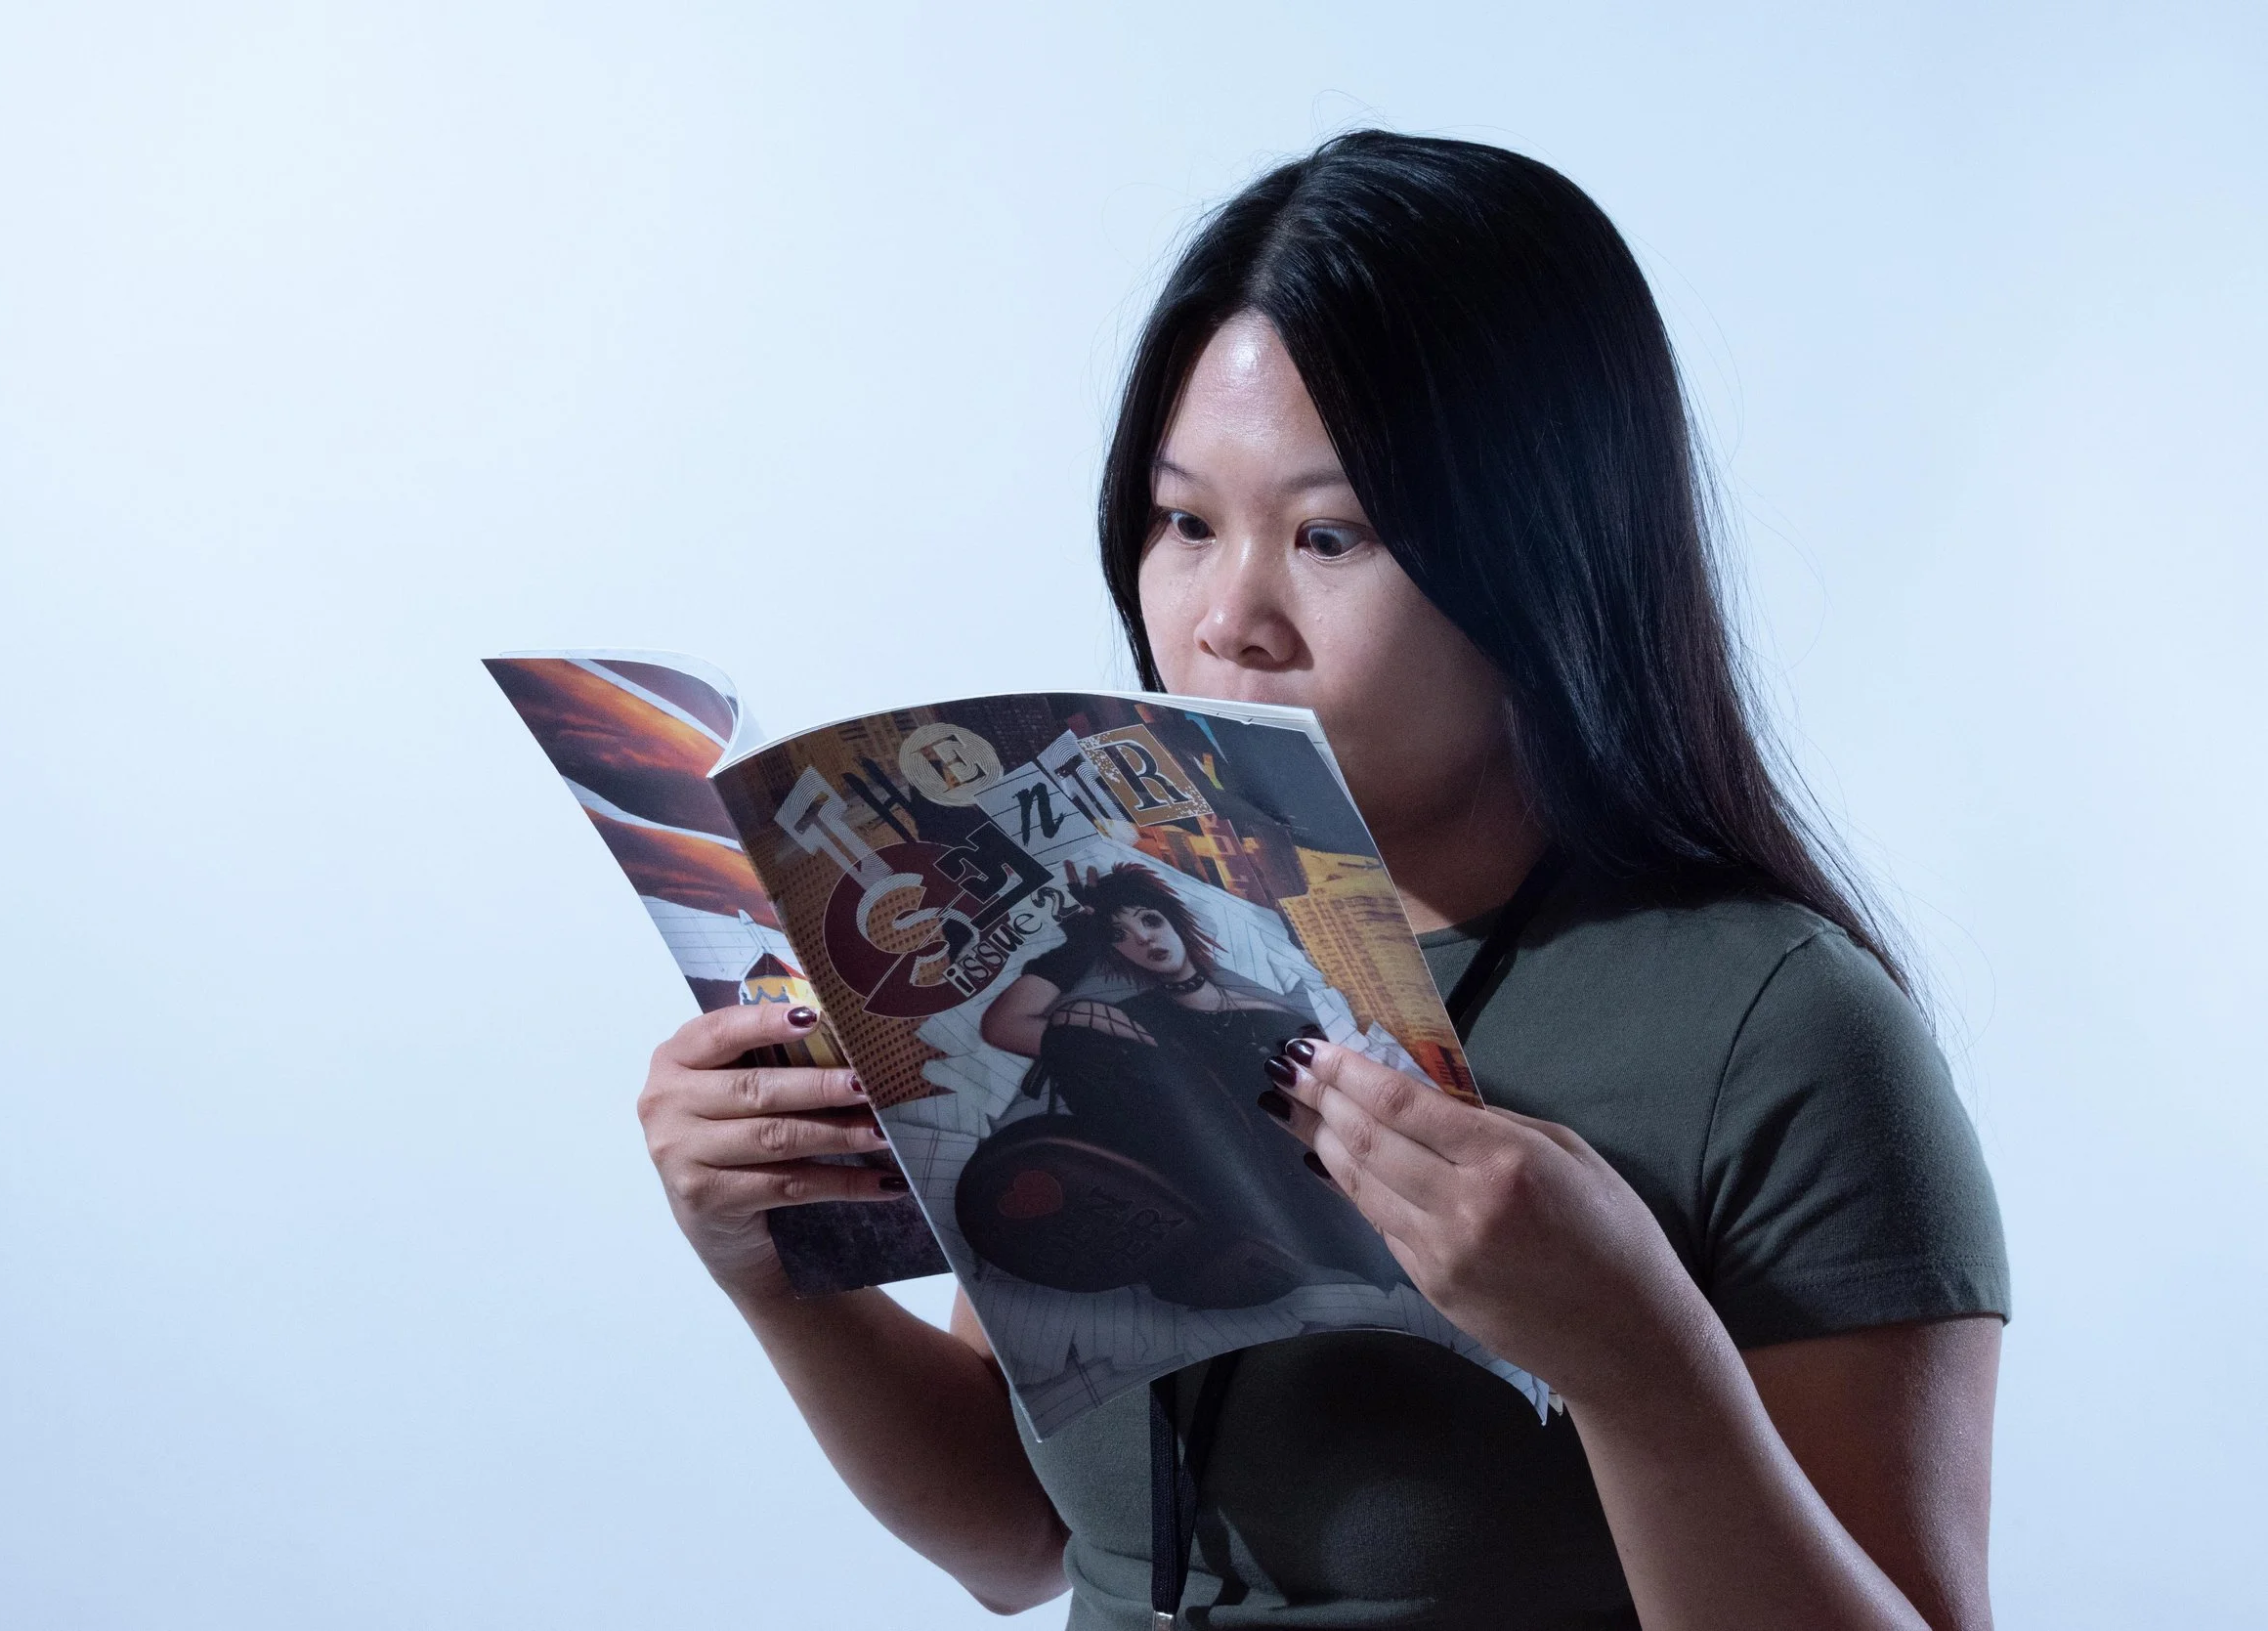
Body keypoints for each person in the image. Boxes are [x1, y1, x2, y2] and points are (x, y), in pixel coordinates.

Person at [638, 131, 2007, 1630]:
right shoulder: (1109, 919)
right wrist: (781, 1278)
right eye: (1184, 523)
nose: (1230, 619)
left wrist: (1634, 1359)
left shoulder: (1778, 1030)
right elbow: (1021, 1546)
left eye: (1329, 534)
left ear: (1539, 558)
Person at [971, 862, 1407, 1304]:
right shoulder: (1129, 1022)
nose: (1142, 938)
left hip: (1319, 1197)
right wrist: (1079, 948)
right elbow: (1005, 1026)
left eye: (1150, 919)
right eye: (1118, 935)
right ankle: (1225, 1236)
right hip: (1208, 1196)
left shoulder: (1272, 1012)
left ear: (1174, 920)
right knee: (1073, 1024)